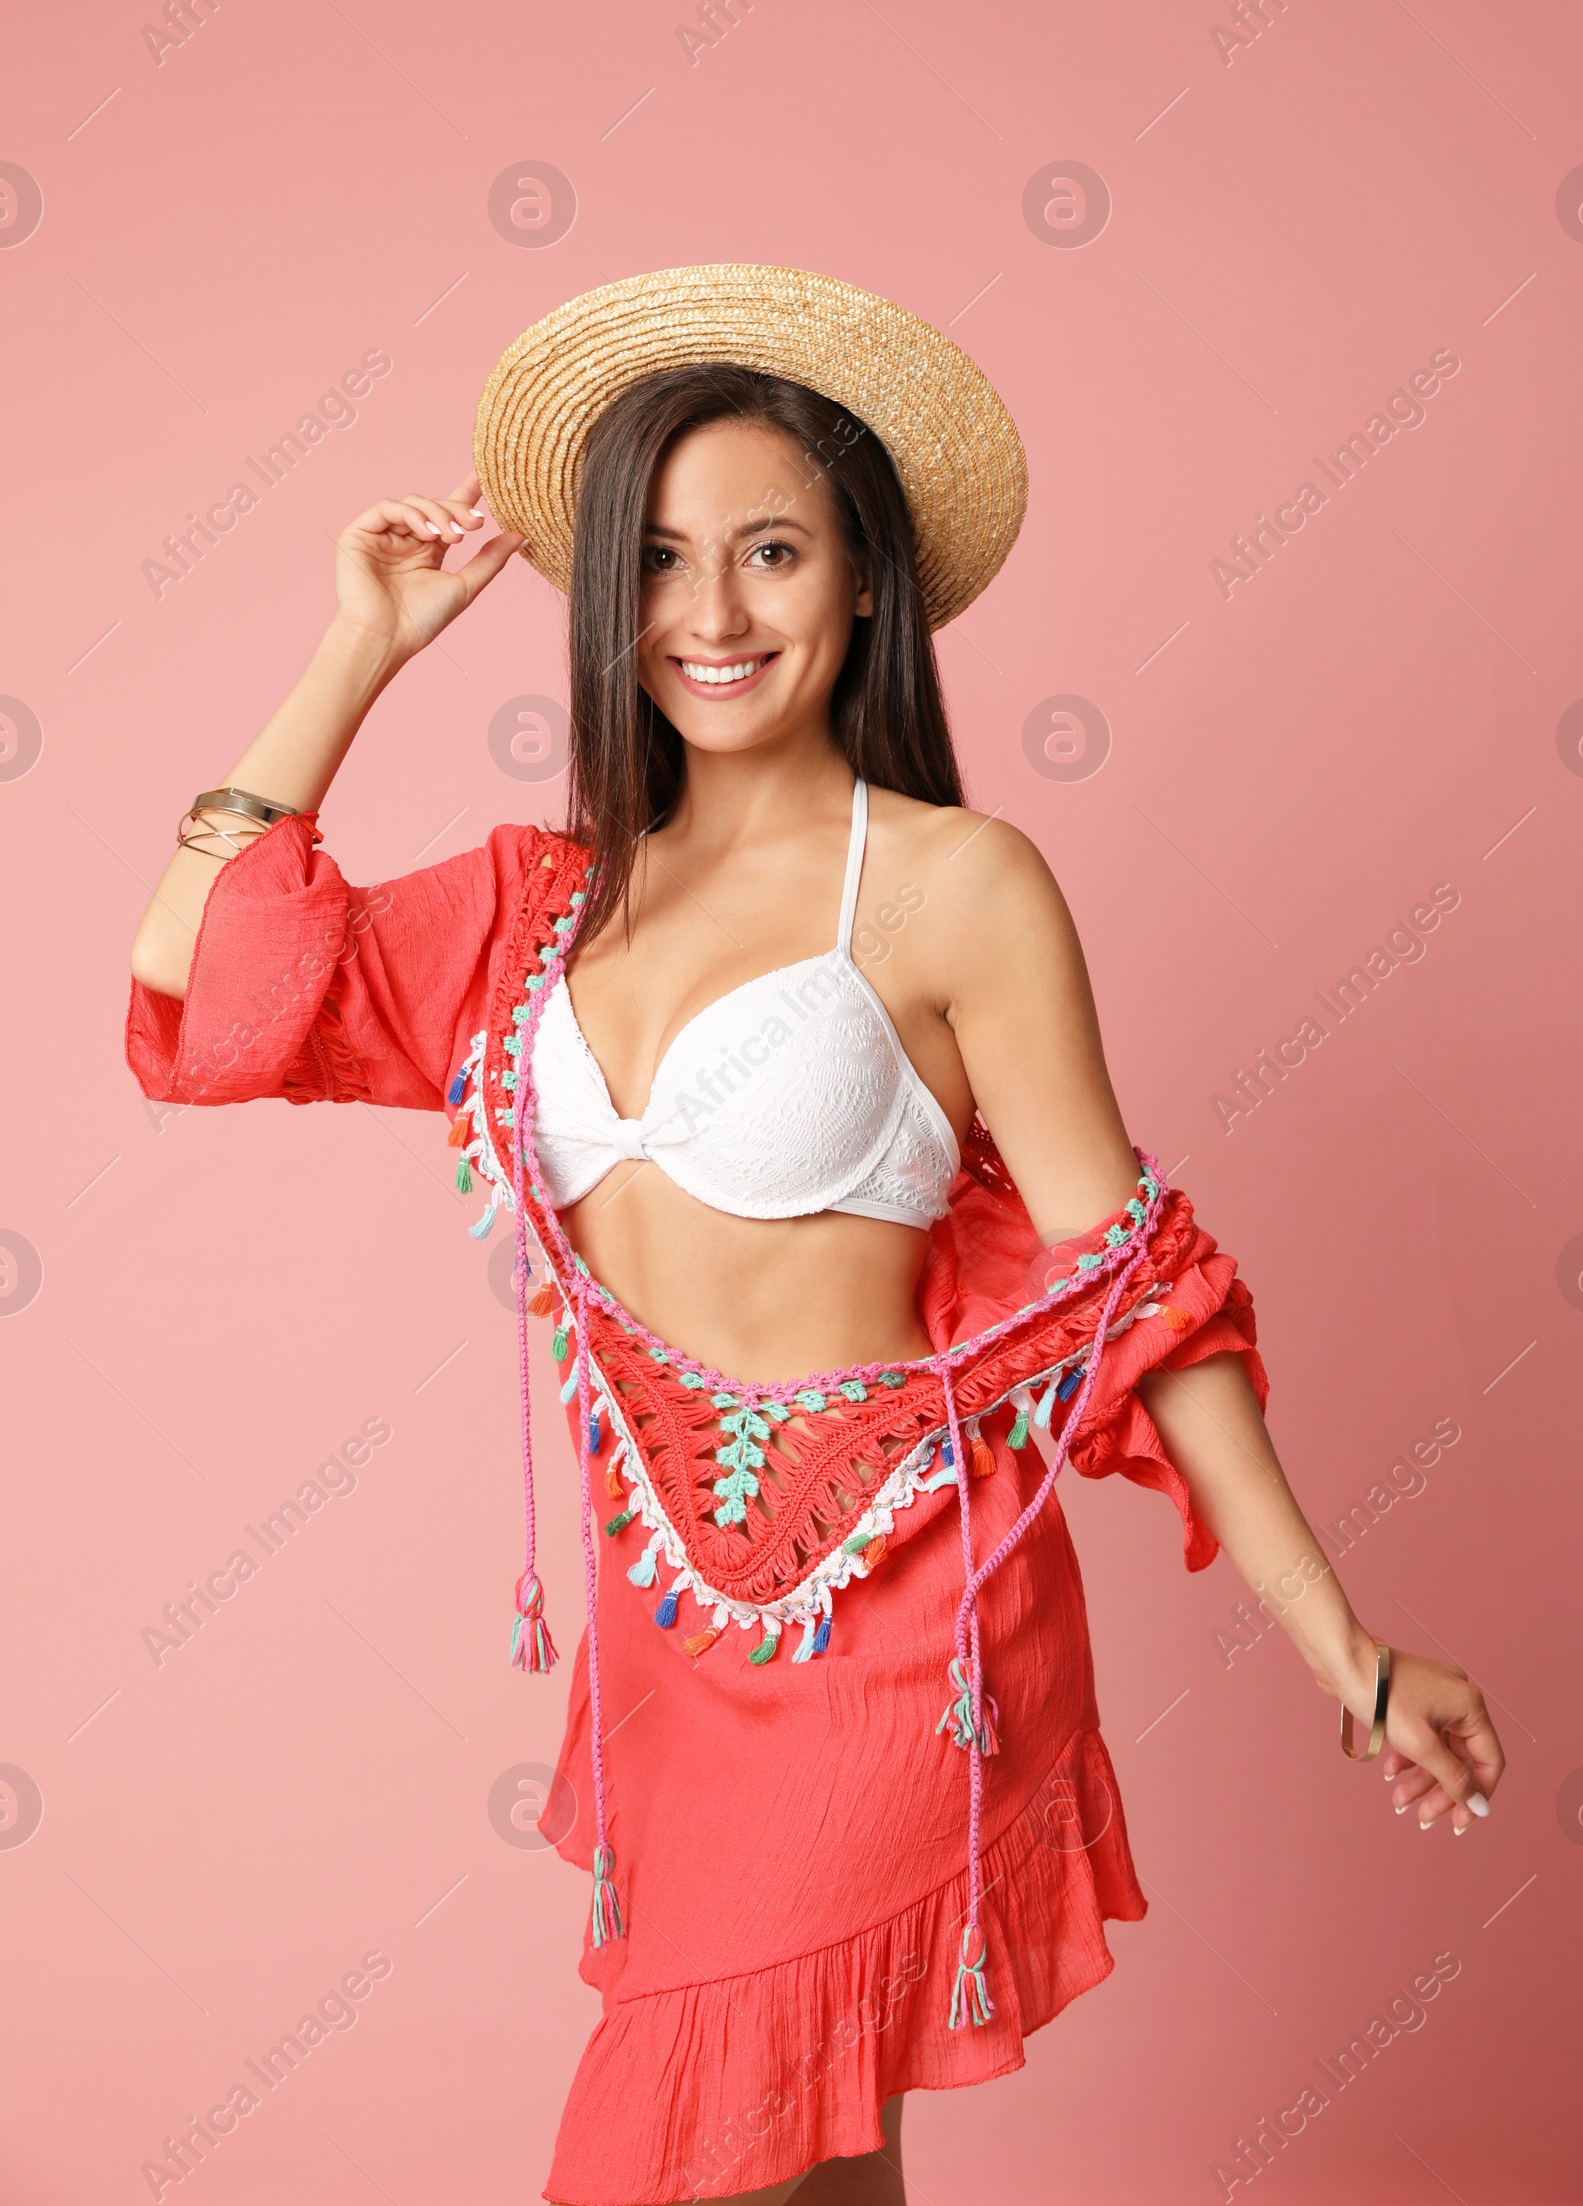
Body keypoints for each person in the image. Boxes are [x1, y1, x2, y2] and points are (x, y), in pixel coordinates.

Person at [128, 265, 1505, 2206]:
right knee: (810, 2171)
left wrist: (1344, 1649)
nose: (708, 615)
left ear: (865, 580)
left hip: (895, 1629)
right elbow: (198, 987)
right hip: (668, 1651)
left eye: (768, 553)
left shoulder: (954, 887)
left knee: (673, 2154)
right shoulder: (538, 908)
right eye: (663, 561)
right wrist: (360, 647)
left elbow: (1136, 1293)